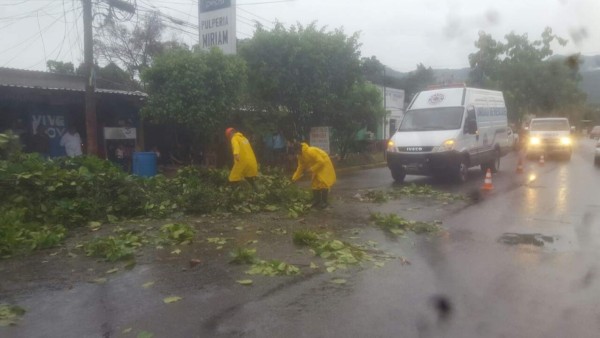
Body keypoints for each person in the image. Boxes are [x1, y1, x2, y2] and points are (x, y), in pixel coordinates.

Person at [291, 141, 336, 209]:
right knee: (315, 183)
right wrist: (294, 178)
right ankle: (316, 201)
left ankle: (324, 202)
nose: (296, 154)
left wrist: (311, 169)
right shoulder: (300, 156)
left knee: (323, 182)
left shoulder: (310, 151)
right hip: (316, 166)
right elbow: (300, 167)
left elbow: (321, 162)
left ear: (299, 149)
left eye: (296, 151)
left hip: (324, 164)